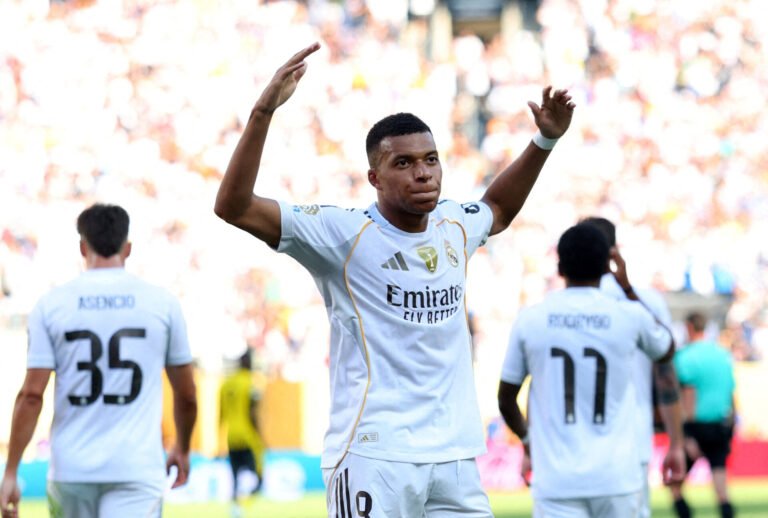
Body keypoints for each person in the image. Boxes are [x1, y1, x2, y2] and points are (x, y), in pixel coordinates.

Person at [214, 42, 574, 517]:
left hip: (454, 456)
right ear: (374, 178)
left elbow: (499, 208)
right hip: (374, 454)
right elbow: (234, 206)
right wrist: (263, 113)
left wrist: (544, 141)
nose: (423, 173)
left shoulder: (454, 225)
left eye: (431, 159)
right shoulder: (342, 234)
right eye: (403, 163)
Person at [0, 204, 197, 518]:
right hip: (136, 468)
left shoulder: (51, 304)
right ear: (127, 248)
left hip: (71, 469)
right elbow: (186, 395)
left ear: (83, 247)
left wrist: (11, 470)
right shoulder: (162, 303)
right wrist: (182, 448)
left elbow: (32, 395)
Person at [498, 222, 685, 518]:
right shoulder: (630, 315)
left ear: (560, 268)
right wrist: (626, 288)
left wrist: (528, 441)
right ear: (608, 266)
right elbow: (667, 349)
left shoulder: (531, 319)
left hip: (557, 479)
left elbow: (506, 398)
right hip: (618, 477)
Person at [581, 215, 674, 518]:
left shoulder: (556, 307)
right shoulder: (646, 302)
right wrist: (676, 441)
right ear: (614, 251)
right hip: (631, 437)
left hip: (575, 440)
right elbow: (666, 368)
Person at [670, 311, 737, 518]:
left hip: (695, 425)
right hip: (721, 423)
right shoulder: (722, 355)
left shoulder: (685, 356)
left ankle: (684, 513)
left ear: (689, 327)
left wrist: (686, 433)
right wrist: (732, 423)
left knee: (674, 480)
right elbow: (731, 392)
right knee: (720, 479)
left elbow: (687, 394)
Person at [219, 349, 265, 509]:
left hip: (231, 437)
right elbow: (253, 412)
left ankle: (236, 508)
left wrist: (219, 439)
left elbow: (220, 415)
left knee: (235, 477)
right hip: (248, 437)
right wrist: (260, 435)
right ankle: (248, 502)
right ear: (248, 363)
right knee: (259, 477)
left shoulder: (226, 384)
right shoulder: (251, 383)